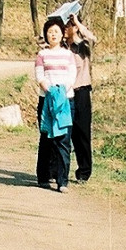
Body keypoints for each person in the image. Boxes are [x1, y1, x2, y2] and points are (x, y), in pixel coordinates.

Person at [33, 15, 76, 191]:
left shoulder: (68, 55)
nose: (53, 35)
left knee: (64, 141)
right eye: (50, 32)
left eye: (56, 31)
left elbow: (72, 76)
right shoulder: (42, 55)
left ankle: (62, 181)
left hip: (66, 100)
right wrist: (50, 90)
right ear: (46, 35)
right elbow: (39, 75)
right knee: (46, 138)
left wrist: (61, 91)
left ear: (62, 35)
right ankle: (43, 177)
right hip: (46, 99)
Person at [64, 13, 97, 183]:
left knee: (82, 134)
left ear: (75, 28)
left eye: (67, 26)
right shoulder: (62, 48)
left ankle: (84, 172)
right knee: (63, 133)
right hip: (65, 94)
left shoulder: (82, 47)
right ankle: (59, 169)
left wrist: (77, 22)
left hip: (81, 92)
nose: (64, 29)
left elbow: (93, 39)